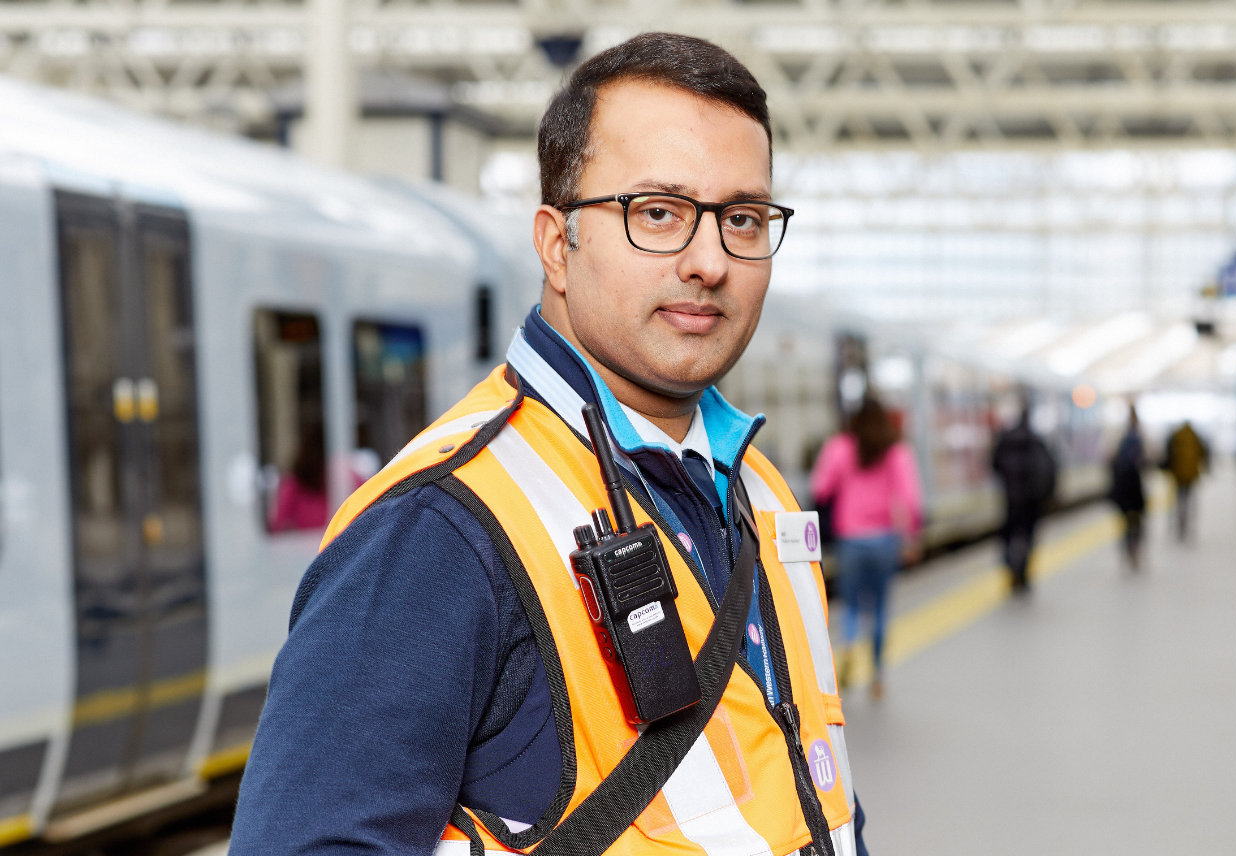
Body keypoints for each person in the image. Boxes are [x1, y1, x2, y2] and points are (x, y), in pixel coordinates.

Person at [232, 34, 867, 856]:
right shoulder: (439, 528)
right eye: (659, 214)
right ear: (555, 243)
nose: (710, 260)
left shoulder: (761, 491)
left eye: (741, 219)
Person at [810, 396, 923, 700]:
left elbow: (819, 488)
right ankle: (877, 675)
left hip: (851, 539)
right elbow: (910, 499)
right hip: (885, 539)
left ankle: (847, 646)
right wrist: (911, 537)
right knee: (880, 607)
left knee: (851, 605)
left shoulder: (841, 447)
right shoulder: (897, 451)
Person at [991, 405, 1057, 596]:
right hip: (1031, 501)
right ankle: (1023, 573)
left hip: (1010, 500)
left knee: (1007, 536)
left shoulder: (1005, 440)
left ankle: (1011, 565)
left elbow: (995, 465)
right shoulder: (1037, 441)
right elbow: (1049, 470)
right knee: (1028, 537)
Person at [1109, 405, 1147, 571]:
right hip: (1135, 490)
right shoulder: (1136, 440)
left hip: (1123, 490)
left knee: (1126, 522)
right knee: (1136, 522)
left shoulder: (1122, 440)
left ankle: (1127, 550)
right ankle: (1135, 551)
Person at [1161, 419, 1208, 543]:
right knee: (1188, 499)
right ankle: (1187, 524)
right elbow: (1203, 454)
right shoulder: (1195, 436)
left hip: (1178, 475)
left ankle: (1179, 523)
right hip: (1191, 475)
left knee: (1179, 499)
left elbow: (1168, 455)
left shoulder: (1176, 436)